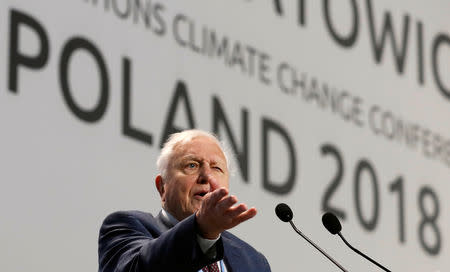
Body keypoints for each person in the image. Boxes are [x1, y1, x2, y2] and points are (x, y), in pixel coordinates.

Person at [98, 129, 271, 272]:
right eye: (192, 165)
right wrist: (201, 231)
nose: (206, 176)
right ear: (162, 187)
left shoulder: (254, 262)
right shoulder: (125, 227)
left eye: (216, 168)